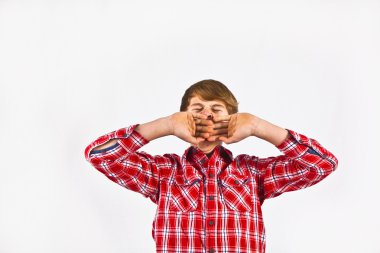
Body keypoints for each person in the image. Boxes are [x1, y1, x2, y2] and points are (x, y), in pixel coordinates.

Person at [84, 79, 338, 253]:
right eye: (198, 109)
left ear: (234, 121)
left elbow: (322, 164)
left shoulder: (253, 174)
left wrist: (260, 127)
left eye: (217, 109)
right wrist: (166, 125)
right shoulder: (164, 173)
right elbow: (99, 155)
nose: (207, 116)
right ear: (183, 117)